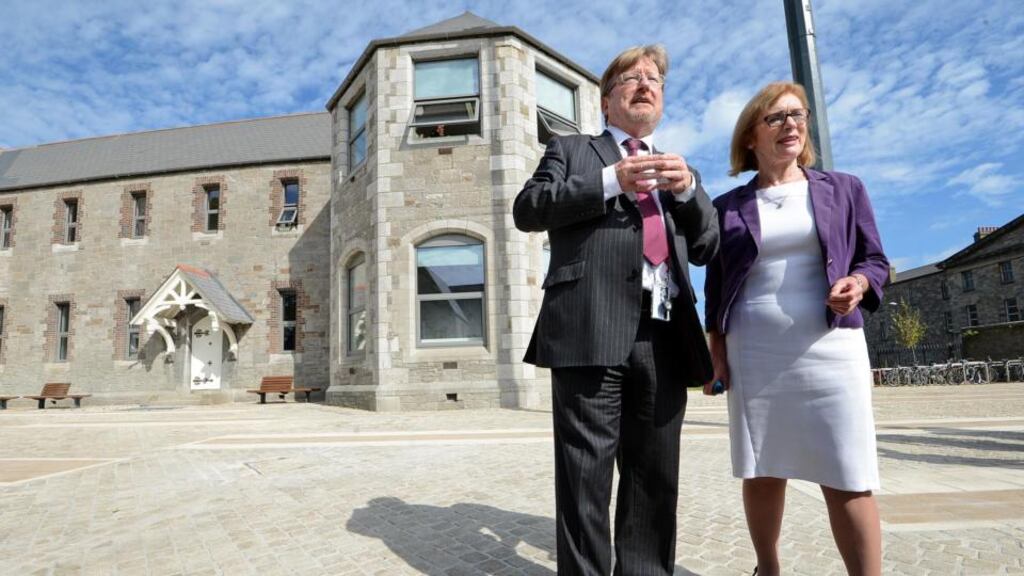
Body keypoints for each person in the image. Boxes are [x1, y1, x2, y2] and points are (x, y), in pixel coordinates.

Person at [514, 45, 719, 575]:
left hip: (664, 333)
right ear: (607, 102)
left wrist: (691, 190)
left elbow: (708, 246)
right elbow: (527, 209)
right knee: (584, 475)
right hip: (587, 327)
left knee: (654, 474)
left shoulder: (680, 170)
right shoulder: (572, 150)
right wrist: (611, 182)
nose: (644, 85)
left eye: (654, 79)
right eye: (630, 78)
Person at [703, 81, 890, 576]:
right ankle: (767, 568)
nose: (791, 124)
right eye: (776, 117)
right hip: (754, 350)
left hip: (833, 347)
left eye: (797, 114)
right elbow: (716, 288)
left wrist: (857, 281)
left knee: (848, 470)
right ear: (750, 137)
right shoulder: (726, 208)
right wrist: (715, 352)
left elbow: (876, 261)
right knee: (764, 468)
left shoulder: (845, 188)